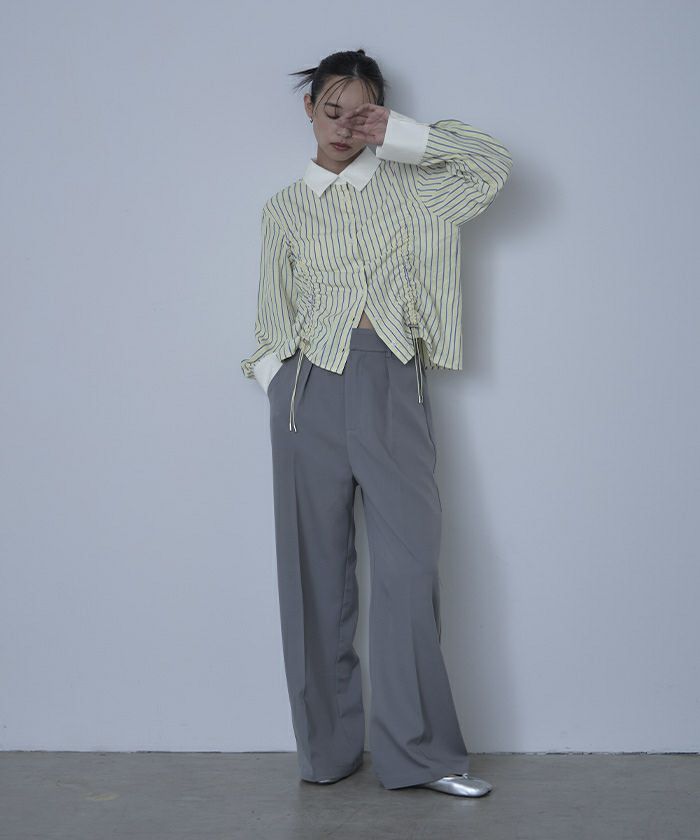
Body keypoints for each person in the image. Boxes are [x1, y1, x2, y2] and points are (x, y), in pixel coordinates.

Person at [241, 48, 512, 797]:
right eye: (332, 111)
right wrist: (275, 381)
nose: (343, 126)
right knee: (314, 578)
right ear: (309, 110)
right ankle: (326, 754)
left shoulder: (416, 189)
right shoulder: (283, 209)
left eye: (359, 114)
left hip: (392, 382)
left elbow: (492, 166)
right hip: (306, 395)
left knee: (409, 571)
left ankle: (421, 756)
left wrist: (403, 135)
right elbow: (270, 316)